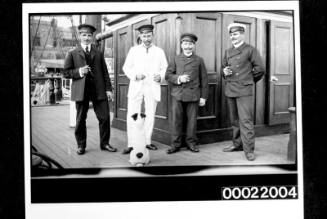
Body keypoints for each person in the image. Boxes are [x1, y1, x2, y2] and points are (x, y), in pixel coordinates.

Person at [63, 23, 117, 155]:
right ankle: (81, 145)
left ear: (92, 37)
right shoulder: (72, 53)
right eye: (83, 35)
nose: (86, 38)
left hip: (98, 90)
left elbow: (105, 72)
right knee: (80, 119)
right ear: (79, 36)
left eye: (89, 35)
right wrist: (79, 71)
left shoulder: (98, 53)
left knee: (104, 117)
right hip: (81, 91)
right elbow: (66, 73)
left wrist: (109, 89)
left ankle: (104, 143)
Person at [221, 23, 265, 161]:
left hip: (244, 90)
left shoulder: (250, 50)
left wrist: (248, 81)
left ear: (242, 34)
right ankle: (237, 144)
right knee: (235, 121)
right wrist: (224, 72)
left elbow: (260, 69)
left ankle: (249, 150)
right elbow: (223, 69)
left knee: (245, 121)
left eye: (235, 34)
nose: (233, 37)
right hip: (231, 89)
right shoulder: (228, 51)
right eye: (231, 34)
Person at [122, 24, 168, 154]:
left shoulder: (159, 51)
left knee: (150, 115)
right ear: (140, 36)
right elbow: (126, 68)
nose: (146, 38)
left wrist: (161, 76)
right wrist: (135, 75)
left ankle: (147, 141)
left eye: (149, 35)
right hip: (137, 86)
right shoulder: (134, 50)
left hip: (152, 87)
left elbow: (165, 68)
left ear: (153, 35)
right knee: (132, 114)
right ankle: (131, 143)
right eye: (144, 36)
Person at [165, 33, 208, 154]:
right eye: (185, 44)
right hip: (178, 95)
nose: (187, 46)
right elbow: (168, 75)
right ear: (181, 45)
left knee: (192, 121)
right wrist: (179, 78)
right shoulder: (175, 59)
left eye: (190, 44)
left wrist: (203, 97)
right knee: (176, 120)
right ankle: (175, 144)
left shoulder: (199, 60)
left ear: (194, 46)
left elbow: (204, 79)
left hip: (194, 95)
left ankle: (191, 143)